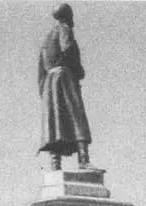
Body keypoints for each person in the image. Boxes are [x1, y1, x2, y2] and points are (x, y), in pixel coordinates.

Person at [38, 3, 92, 171]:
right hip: (65, 77)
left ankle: (55, 164)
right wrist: (78, 69)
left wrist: (44, 93)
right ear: (68, 16)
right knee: (77, 117)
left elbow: (40, 70)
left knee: (54, 123)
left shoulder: (46, 39)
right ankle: (84, 160)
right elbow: (67, 47)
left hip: (49, 83)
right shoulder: (64, 28)